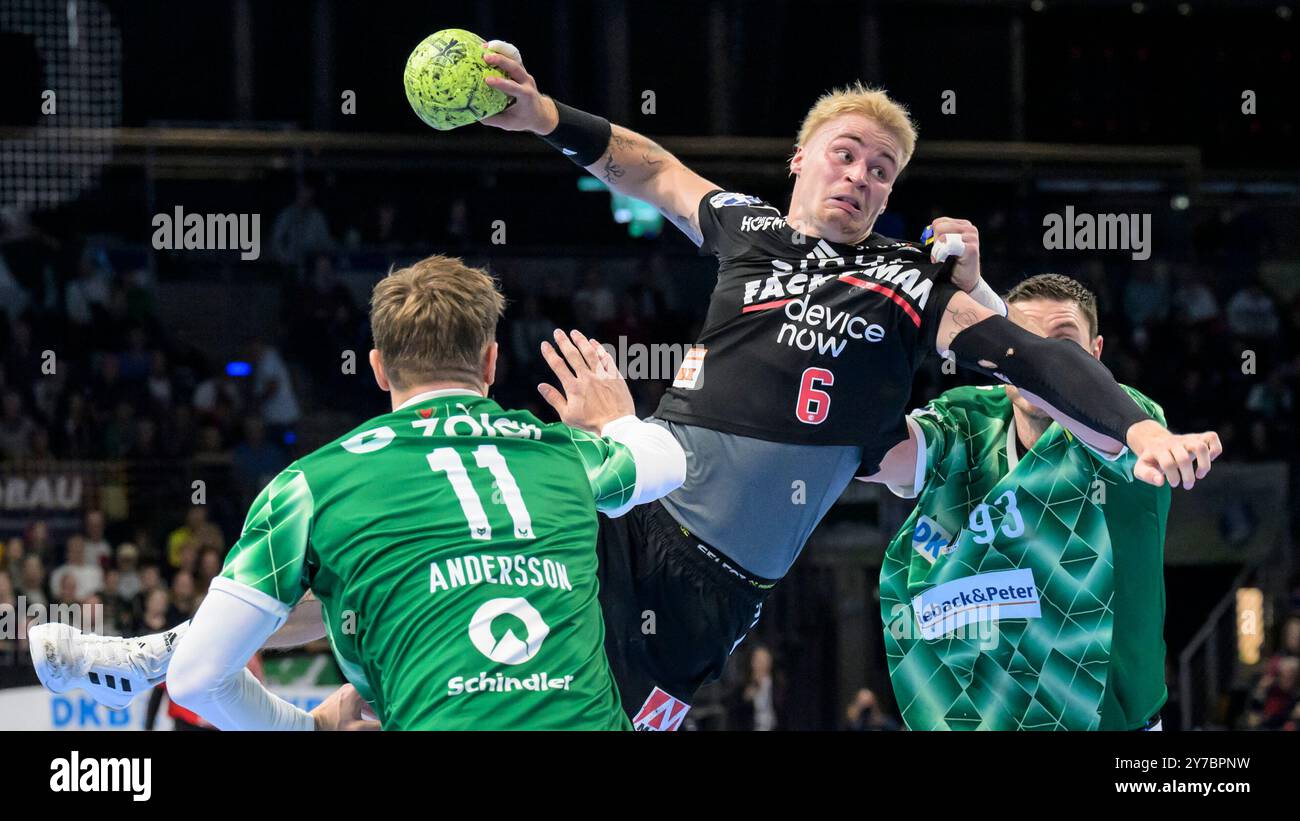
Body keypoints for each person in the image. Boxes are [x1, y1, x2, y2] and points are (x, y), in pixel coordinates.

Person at [472, 40, 1223, 726]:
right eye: (848, 154)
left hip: (708, 579)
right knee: (490, 671)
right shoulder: (747, 226)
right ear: (801, 158)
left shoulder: (904, 281)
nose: (861, 176)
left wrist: (1139, 430)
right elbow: (656, 170)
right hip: (629, 500)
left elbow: (1031, 357)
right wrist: (544, 115)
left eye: (882, 170)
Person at [29, 255, 687, 731]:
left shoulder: (313, 484)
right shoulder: (560, 453)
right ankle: (154, 650)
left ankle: (156, 648)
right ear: (491, 361)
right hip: (626, 666)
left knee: (352, 588)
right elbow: (669, 460)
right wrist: (617, 418)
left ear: (376, 367)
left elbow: (198, 681)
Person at [862, 275, 1217, 730]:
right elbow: (874, 454)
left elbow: (1120, 432)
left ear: (1094, 355)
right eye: (1024, 342)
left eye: (1063, 347)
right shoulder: (963, 418)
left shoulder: (1134, 424)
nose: (1040, 362)